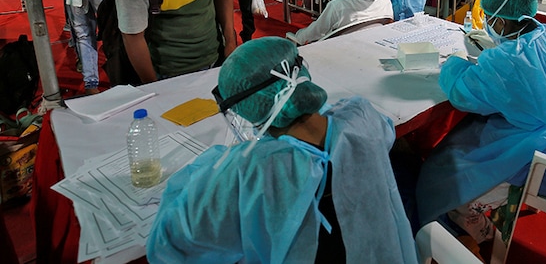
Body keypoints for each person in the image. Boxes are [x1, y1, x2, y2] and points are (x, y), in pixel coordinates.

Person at [146, 37, 417, 263]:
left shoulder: (249, 170)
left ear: (248, 109)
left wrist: (209, 169)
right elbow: (384, 134)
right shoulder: (362, 116)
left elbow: (168, 244)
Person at [416, 0, 546, 245]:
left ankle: (470, 234)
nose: (487, 23)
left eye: (489, 18)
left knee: (443, 172)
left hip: (544, 159)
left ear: (499, 21)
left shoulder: (509, 60)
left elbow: (463, 94)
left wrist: (454, 63)